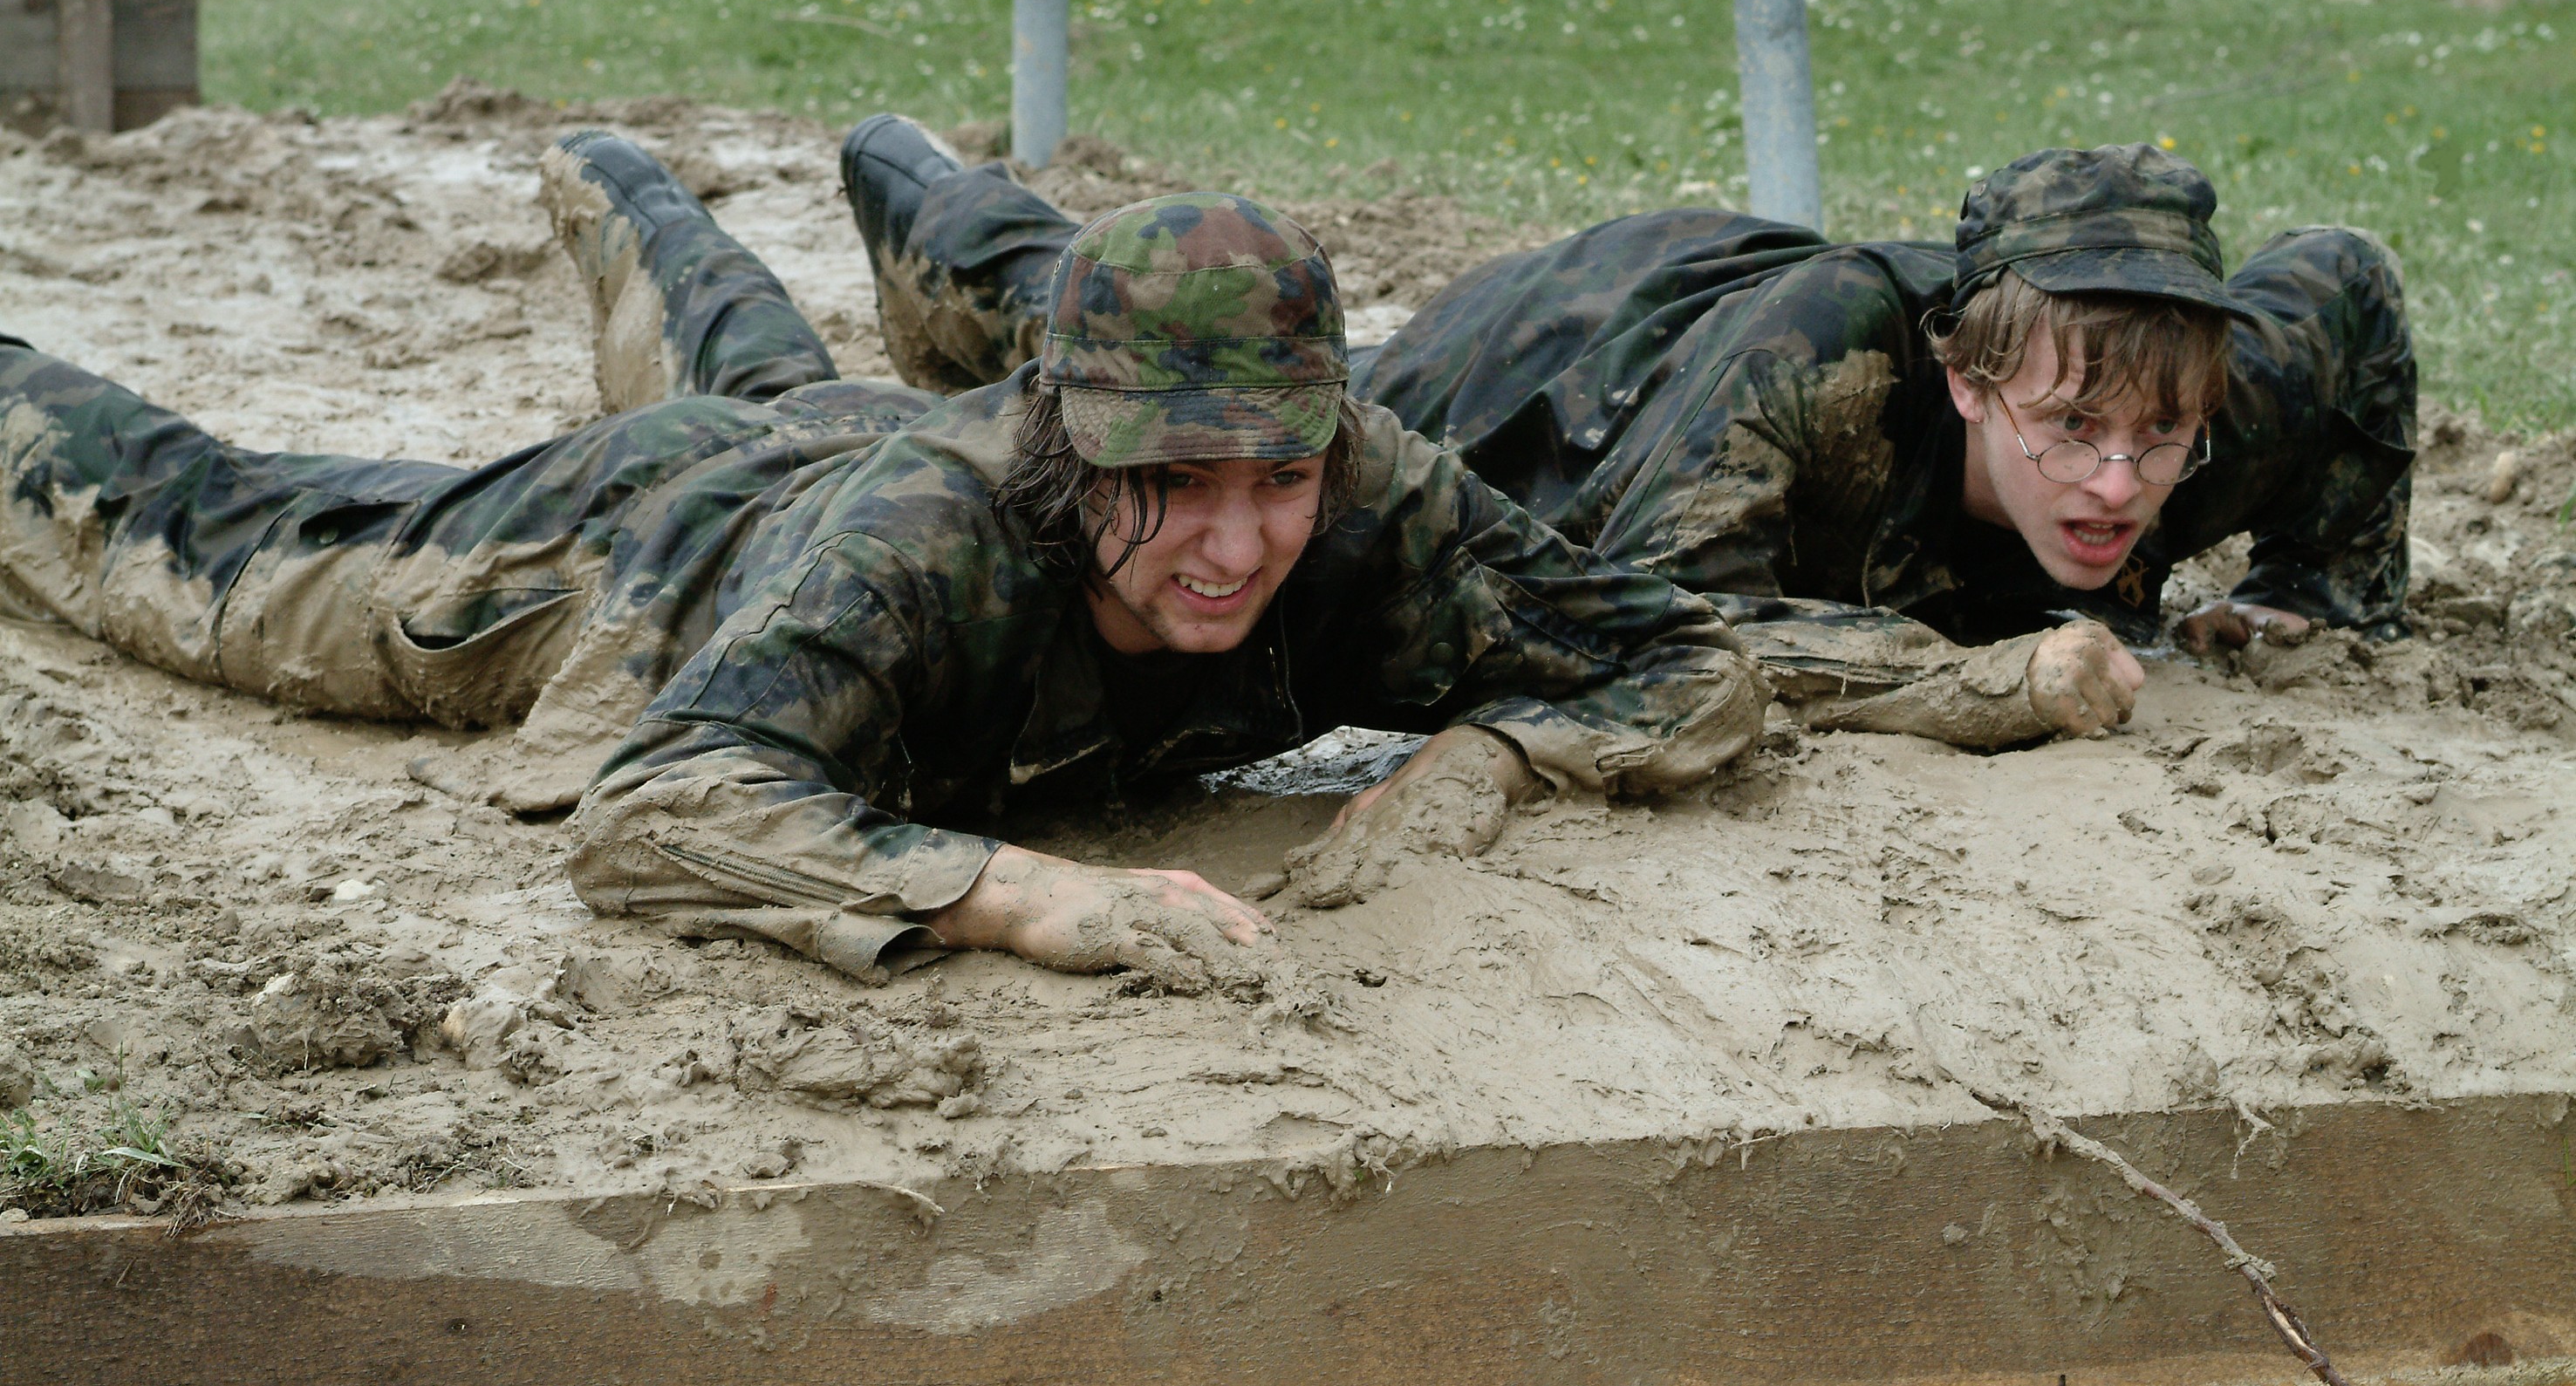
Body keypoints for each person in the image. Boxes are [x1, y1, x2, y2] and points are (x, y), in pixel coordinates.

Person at [0, 132, 1765, 987]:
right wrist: (1033, 895)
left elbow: (1689, 658)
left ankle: (637, 193)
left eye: (1280, 478)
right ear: (1075, 440)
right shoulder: (933, 541)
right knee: (195, 542)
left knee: (780, 391)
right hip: (656, 550)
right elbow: (660, 803)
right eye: (1177, 480)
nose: (1237, 542)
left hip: (837, 453)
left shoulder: (1364, 480)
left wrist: (1491, 749)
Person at [847, 126, 2415, 750]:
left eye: (2158, 441)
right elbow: (1675, 618)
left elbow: (2345, 281)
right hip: (1535, 371)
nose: (2116, 480)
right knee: (1104, 333)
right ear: (1962, 376)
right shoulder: (1822, 372)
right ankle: (916, 177)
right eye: (2067, 429)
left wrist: (2323, 583)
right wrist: (1969, 677)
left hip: (1695, 339)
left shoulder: (2199, 385)